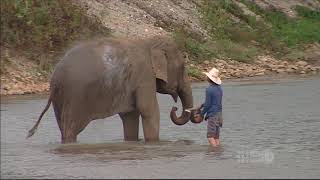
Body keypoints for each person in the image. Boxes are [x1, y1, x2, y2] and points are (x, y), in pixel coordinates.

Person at [194, 67, 223, 147]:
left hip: (212, 115)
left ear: (209, 78)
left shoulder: (209, 89)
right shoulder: (219, 89)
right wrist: (201, 105)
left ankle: (214, 152)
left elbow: (208, 105)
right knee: (216, 137)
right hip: (219, 114)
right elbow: (214, 102)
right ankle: (218, 154)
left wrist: (201, 114)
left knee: (210, 137)